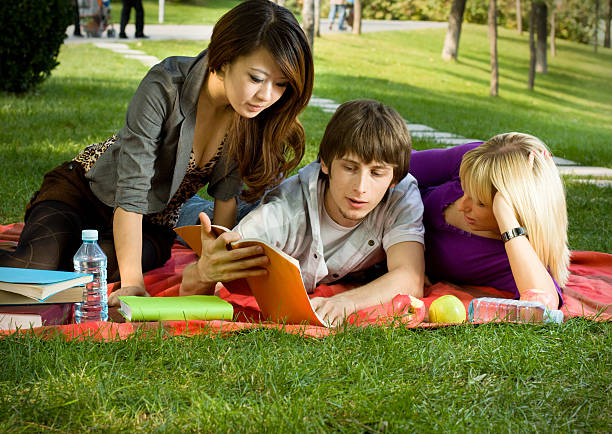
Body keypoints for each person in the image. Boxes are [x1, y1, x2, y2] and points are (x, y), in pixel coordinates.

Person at [0, 0, 314, 308]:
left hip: (152, 227)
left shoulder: (249, 116)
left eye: (281, 84)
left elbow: (226, 198)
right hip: (85, 195)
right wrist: (134, 283)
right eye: (257, 78)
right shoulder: (165, 86)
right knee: (32, 270)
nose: (267, 95)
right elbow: (132, 191)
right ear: (224, 57)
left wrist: (213, 269)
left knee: (83, 273)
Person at [180, 99, 426, 327]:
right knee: (181, 214)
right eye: (350, 168)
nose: (361, 188)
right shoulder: (283, 213)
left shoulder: (401, 195)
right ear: (326, 164)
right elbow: (201, 284)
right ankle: (167, 201)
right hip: (254, 210)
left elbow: (410, 278)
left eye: (377, 173)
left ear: (394, 178)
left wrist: (344, 303)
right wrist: (204, 272)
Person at [409, 133, 570, 310]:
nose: (462, 206)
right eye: (464, 189)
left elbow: (543, 305)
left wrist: (506, 216)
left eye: (480, 202)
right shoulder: (477, 163)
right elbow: (395, 166)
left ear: (516, 209)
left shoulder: (514, 255)